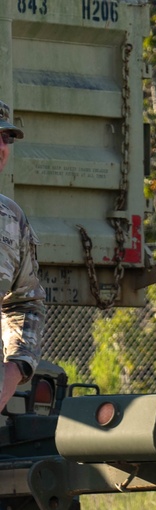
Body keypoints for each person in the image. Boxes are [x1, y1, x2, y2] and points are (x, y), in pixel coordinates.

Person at [0, 99, 45, 411]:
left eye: (6, 138)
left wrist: (13, 370)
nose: (1, 147)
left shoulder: (11, 218)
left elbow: (25, 303)